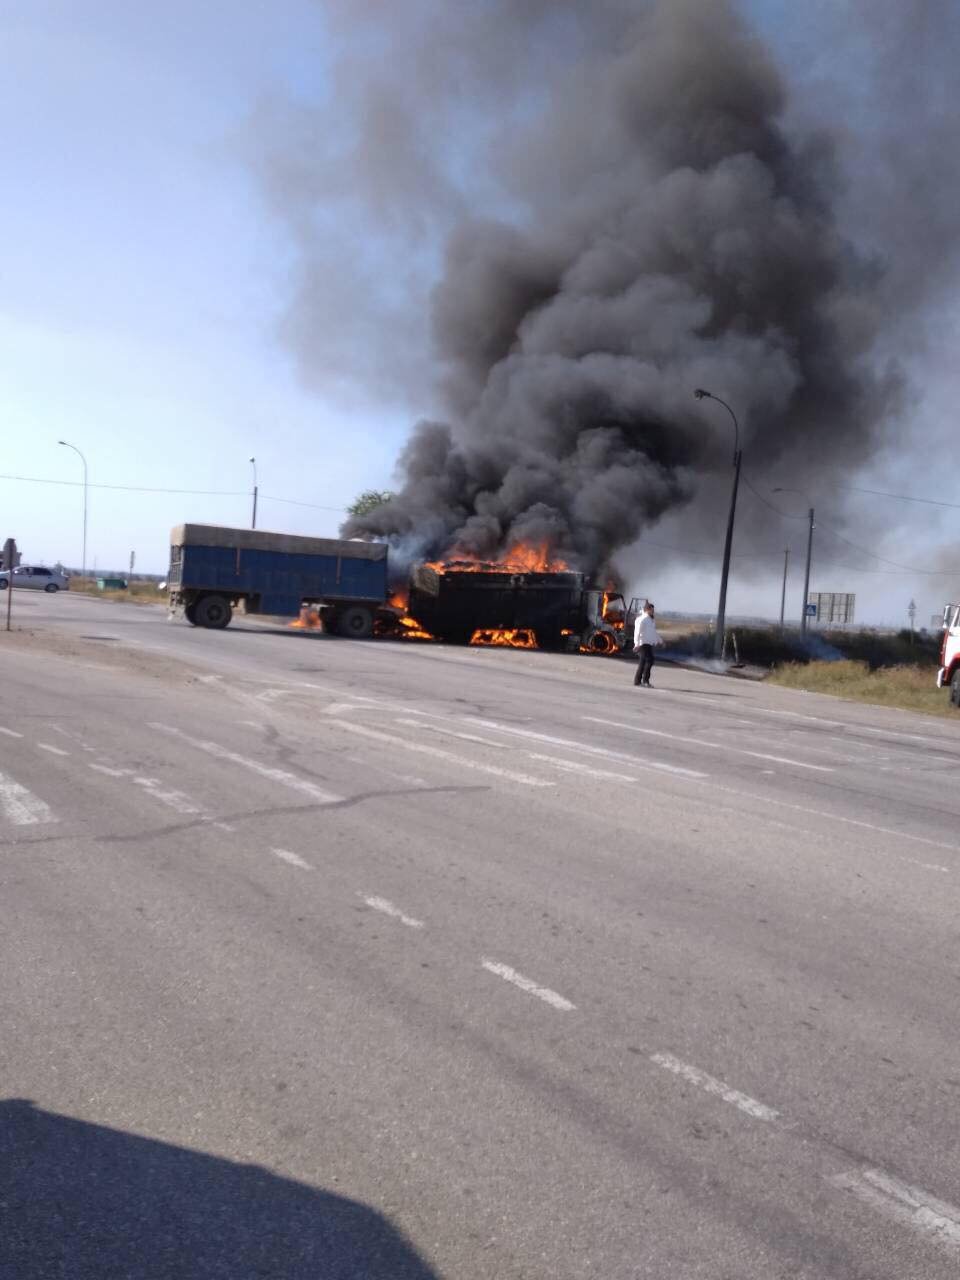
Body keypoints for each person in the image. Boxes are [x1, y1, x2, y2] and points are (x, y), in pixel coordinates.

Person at [633, 601, 662, 687]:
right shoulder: (642, 619)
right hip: (643, 644)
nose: (653, 612)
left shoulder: (650, 620)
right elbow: (637, 632)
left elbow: (653, 632)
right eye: (652, 610)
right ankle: (645, 681)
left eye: (653, 610)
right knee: (650, 660)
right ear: (647, 610)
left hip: (648, 644)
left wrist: (660, 641)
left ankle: (637, 681)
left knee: (643, 662)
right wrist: (636, 644)